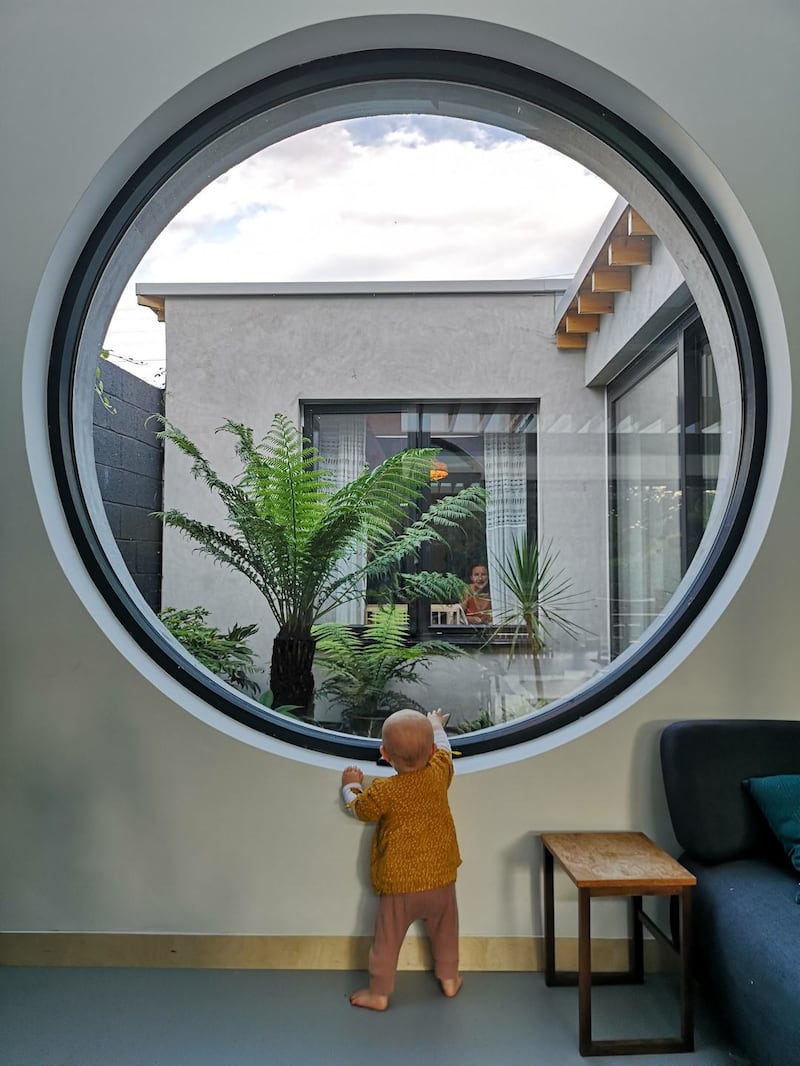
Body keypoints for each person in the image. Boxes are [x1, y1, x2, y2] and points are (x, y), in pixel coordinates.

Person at [340, 708, 462, 1011]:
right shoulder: (438, 773)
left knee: (387, 941)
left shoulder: (385, 790)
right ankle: (449, 978)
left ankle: (379, 993)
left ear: (384, 753)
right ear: (431, 751)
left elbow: (358, 808)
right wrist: (435, 724)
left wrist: (349, 784)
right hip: (441, 879)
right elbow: (445, 751)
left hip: (400, 886)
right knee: (446, 933)